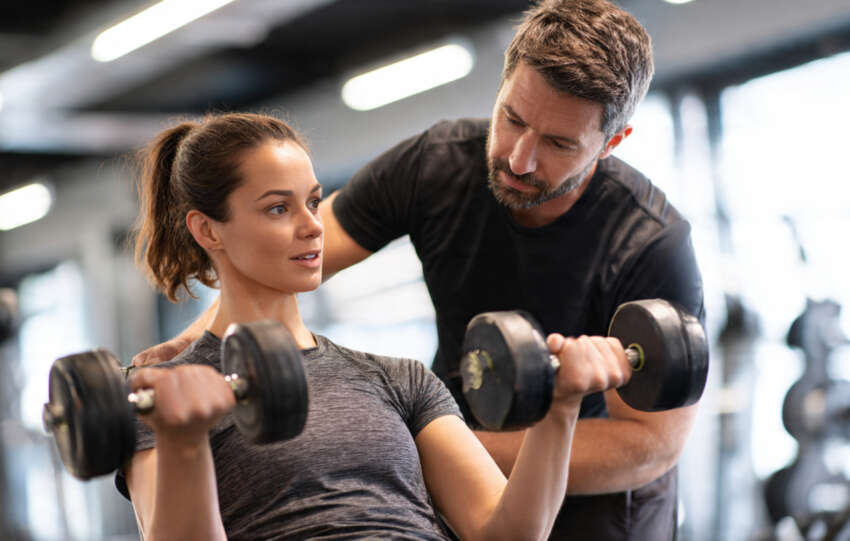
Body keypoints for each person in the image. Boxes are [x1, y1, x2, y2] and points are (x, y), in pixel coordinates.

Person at [134, 0, 705, 538]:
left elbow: (648, 445)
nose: (518, 157)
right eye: (511, 118)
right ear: (502, 86)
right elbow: (288, 256)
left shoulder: (650, 242)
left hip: (599, 510)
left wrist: (421, 436)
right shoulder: (436, 166)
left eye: (557, 143)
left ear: (612, 143)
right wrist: (185, 355)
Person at [117, 111, 632, 540]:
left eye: (314, 201)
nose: (313, 225)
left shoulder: (398, 380)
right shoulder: (166, 397)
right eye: (278, 207)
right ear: (208, 229)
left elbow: (507, 533)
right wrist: (183, 439)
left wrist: (559, 411)